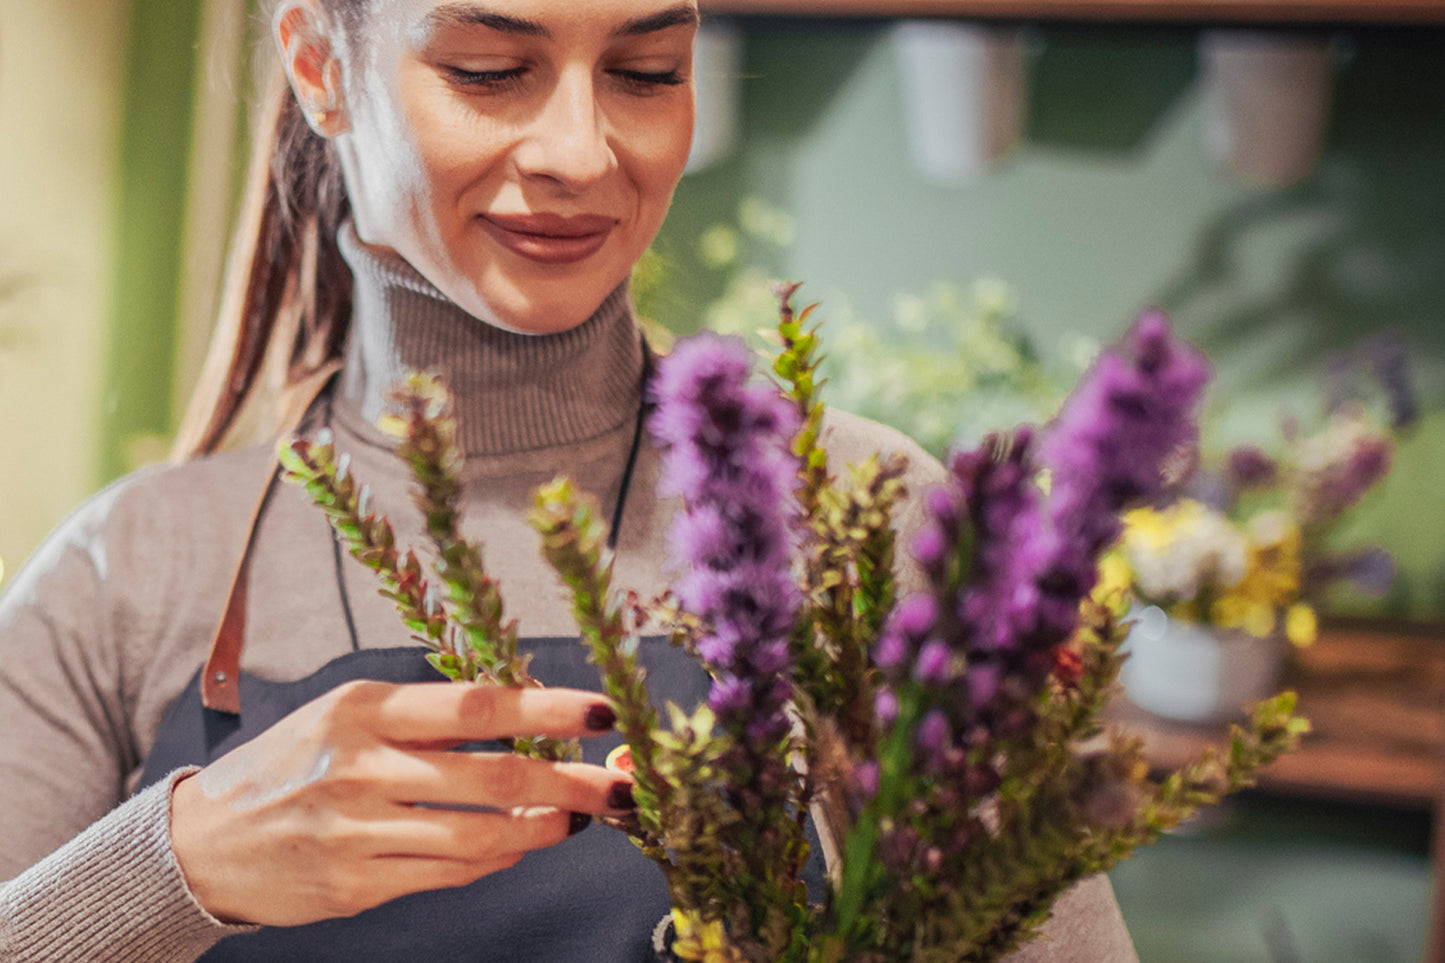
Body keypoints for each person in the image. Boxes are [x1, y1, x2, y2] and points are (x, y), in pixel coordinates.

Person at [0, 1, 1137, 959]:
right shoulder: (130, 573)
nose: (582, 154)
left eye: (646, 74)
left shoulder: (855, 510)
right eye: (491, 71)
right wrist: (174, 862)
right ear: (317, 68)